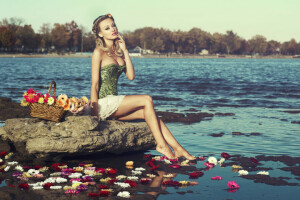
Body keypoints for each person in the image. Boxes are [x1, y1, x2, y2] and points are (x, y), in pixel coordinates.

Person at [90, 14, 195, 160]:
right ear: (100, 34)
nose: (113, 29)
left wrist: (125, 50)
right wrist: (94, 114)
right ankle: (161, 145)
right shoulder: (98, 52)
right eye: (107, 28)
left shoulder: (118, 52)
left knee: (150, 114)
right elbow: (94, 84)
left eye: (113, 25)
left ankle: (178, 149)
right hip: (103, 103)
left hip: (114, 103)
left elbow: (131, 76)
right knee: (147, 99)